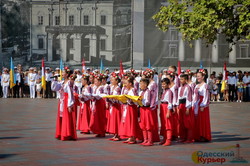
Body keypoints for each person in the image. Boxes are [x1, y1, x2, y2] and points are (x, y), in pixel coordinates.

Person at [51, 67, 77, 141]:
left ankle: (68, 134)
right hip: (62, 101)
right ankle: (61, 133)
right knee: (61, 117)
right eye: (61, 72)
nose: (62, 74)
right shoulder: (62, 82)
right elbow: (54, 88)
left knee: (67, 117)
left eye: (63, 72)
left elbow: (70, 93)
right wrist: (55, 80)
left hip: (66, 101)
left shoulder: (69, 82)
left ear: (67, 74)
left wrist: (70, 104)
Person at [119, 75, 142, 144]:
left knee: (132, 121)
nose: (125, 85)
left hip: (132, 107)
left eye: (126, 83)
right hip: (127, 107)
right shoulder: (126, 90)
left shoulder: (133, 90)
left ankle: (133, 137)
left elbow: (135, 99)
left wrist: (130, 99)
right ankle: (130, 136)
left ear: (130, 83)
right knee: (128, 121)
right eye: (124, 83)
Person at [193, 69, 211, 142]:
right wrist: (194, 103)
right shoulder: (197, 85)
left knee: (203, 120)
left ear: (203, 77)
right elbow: (194, 95)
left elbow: (206, 96)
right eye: (197, 76)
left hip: (202, 104)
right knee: (197, 120)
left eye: (199, 76)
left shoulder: (205, 85)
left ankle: (204, 135)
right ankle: (197, 135)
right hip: (197, 103)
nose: (197, 78)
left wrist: (203, 105)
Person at [176, 74, 194, 143]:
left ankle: (189, 138)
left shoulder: (188, 87)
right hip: (180, 105)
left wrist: (188, 108)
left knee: (187, 122)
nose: (181, 81)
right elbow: (178, 97)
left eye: (182, 79)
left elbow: (189, 98)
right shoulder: (180, 88)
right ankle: (183, 137)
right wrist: (178, 105)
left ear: (186, 80)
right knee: (181, 122)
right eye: (180, 79)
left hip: (186, 105)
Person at [106, 72, 122, 141]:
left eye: (113, 80)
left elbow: (118, 98)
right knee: (113, 119)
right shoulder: (111, 87)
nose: (111, 81)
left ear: (117, 81)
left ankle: (118, 134)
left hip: (117, 106)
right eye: (111, 79)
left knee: (116, 119)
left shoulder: (118, 88)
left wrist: (111, 99)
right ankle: (114, 133)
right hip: (112, 105)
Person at [159, 78, 174, 146]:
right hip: (162, 106)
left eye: (164, 84)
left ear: (168, 84)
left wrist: (168, 111)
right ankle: (164, 138)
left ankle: (168, 139)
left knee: (168, 124)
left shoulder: (169, 92)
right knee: (164, 124)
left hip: (166, 107)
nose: (163, 85)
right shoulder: (164, 91)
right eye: (162, 84)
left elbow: (170, 102)